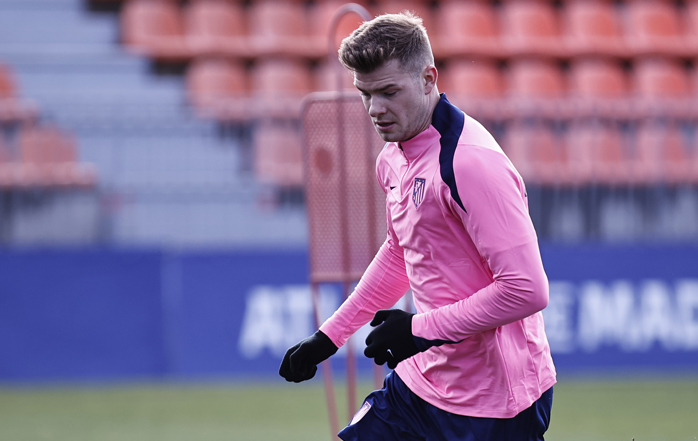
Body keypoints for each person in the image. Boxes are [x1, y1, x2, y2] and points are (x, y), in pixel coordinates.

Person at [279, 12, 556, 441]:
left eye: (389, 92)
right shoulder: (392, 158)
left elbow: (526, 290)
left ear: (428, 79)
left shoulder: (471, 163)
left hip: (493, 404)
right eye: (366, 94)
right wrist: (329, 337)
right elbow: (400, 253)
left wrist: (417, 330)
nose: (375, 109)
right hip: (419, 383)